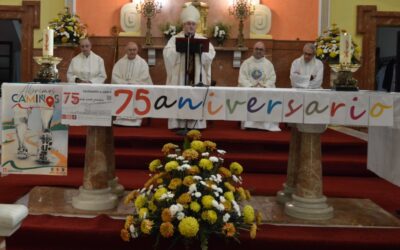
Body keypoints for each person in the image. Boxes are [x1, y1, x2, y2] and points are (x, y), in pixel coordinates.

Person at [163, 5, 216, 130]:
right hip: (180, 77)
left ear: (196, 25)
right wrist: (178, 49)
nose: (190, 26)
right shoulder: (175, 39)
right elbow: (167, 54)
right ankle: (178, 124)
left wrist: (201, 51)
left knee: (195, 96)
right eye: (188, 23)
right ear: (183, 25)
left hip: (197, 77)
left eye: (193, 24)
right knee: (180, 95)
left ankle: (196, 124)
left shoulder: (202, 40)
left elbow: (210, 55)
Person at [238, 41, 280, 131]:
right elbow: (242, 78)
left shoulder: (268, 64)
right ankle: (248, 124)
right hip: (250, 90)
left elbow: (272, 78)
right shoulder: (246, 63)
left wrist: (265, 86)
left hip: (264, 90)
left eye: (261, 49)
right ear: (253, 50)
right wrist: (250, 86)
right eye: (256, 49)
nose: (258, 51)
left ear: (264, 51)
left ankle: (265, 125)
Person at [111, 41, 153, 126]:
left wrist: (132, 84)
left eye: (134, 50)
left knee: (136, 93)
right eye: (130, 50)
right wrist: (124, 84)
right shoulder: (120, 63)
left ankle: (136, 120)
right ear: (126, 50)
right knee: (122, 92)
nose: (132, 52)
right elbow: (115, 76)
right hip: (123, 88)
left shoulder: (142, 63)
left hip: (138, 89)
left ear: (137, 51)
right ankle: (121, 119)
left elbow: (144, 77)